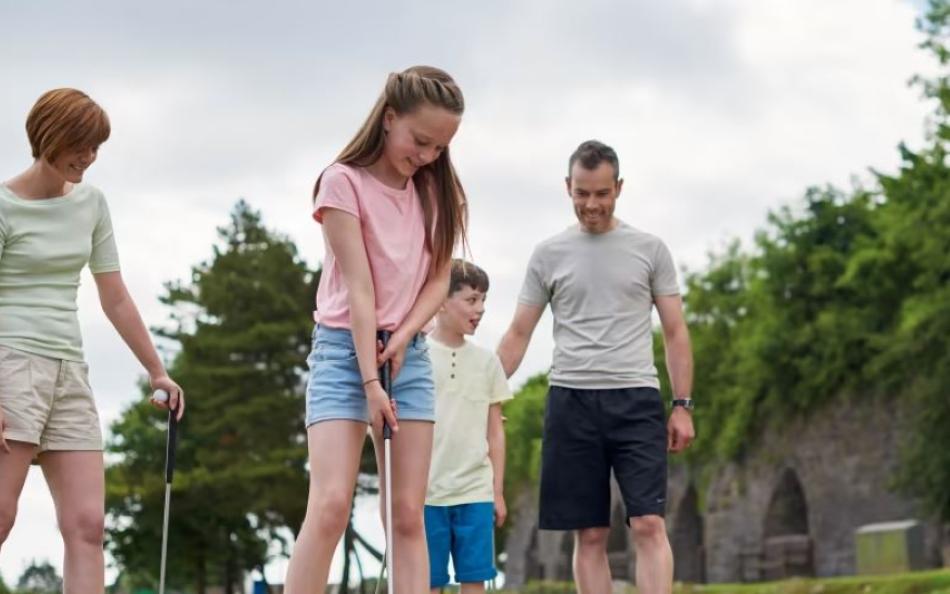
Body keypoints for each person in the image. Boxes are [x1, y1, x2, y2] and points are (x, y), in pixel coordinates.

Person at [284, 66, 468, 594]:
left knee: (408, 514)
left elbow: (439, 280)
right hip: (344, 352)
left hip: (407, 355)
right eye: (420, 141)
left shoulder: (437, 193)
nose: (428, 156)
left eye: (440, 147)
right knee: (331, 505)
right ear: (390, 119)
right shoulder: (342, 182)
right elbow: (361, 290)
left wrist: (407, 335)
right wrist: (369, 381)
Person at [0, 88, 184, 594]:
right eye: (79, 145)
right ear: (47, 138)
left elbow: (115, 295)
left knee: (88, 526)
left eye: (96, 147)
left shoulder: (92, 203)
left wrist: (157, 369)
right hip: (11, 367)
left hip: (70, 373)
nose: (88, 157)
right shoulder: (3, 206)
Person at [497, 140, 695, 594]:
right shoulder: (548, 254)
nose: (591, 204)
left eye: (601, 193)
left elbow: (676, 331)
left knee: (648, 523)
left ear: (618, 188)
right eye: (582, 193)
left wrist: (681, 404)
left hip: (637, 399)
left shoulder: (650, 249)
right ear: (568, 187)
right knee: (590, 533)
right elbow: (518, 333)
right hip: (571, 401)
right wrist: (481, 389)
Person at [424, 259, 512, 594]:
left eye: (484, 300)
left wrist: (497, 492)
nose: (481, 308)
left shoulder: (488, 362)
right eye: (472, 299)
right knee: (428, 581)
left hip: (475, 490)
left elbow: (495, 431)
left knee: (475, 579)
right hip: (427, 493)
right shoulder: (417, 355)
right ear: (442, 301)